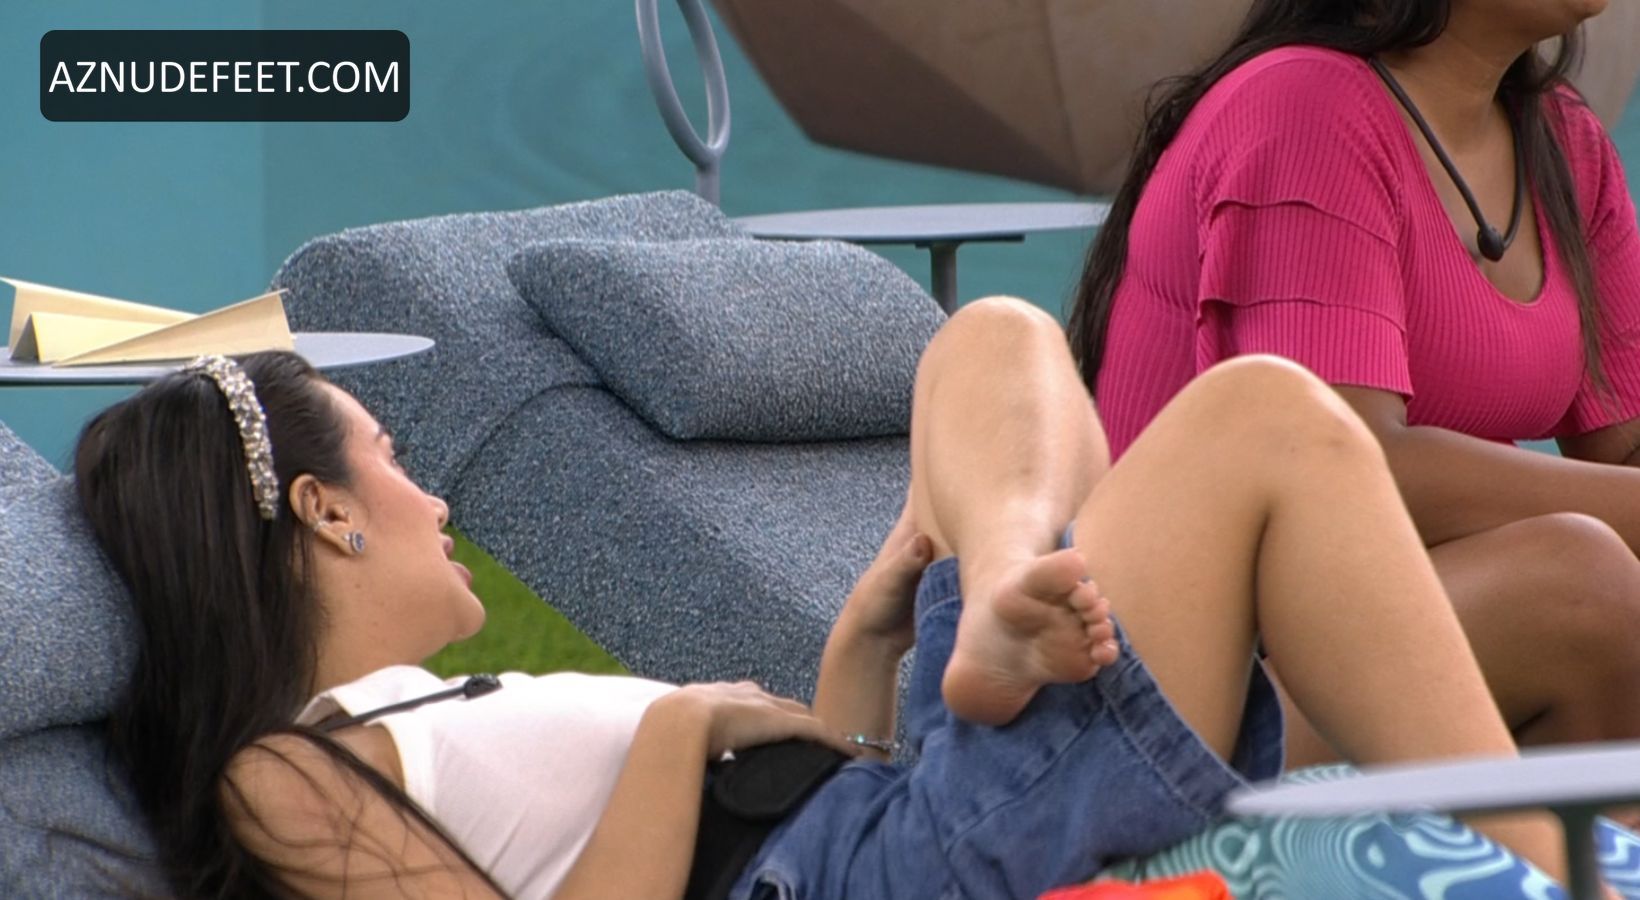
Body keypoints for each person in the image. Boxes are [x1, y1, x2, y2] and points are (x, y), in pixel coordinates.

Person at [77, 299, 1613, 899]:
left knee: (997, 338)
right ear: (325, 512)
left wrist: (864, 636)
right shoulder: (287, 770)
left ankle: (998, 574)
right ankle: (1550, 872)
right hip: (861, 864)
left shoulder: (418, 719)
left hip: (882, 815)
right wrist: (679, 728)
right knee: (1260, 417)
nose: (438, 502)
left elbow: (790, 801)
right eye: (400, 465)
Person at [1067, 0, 1640, 767]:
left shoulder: (1564, 141)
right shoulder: (1303, 109)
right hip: (1182, 691)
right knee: (1580, 588)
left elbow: (1624, 453)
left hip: (1380, 631)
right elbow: (1353, 469)